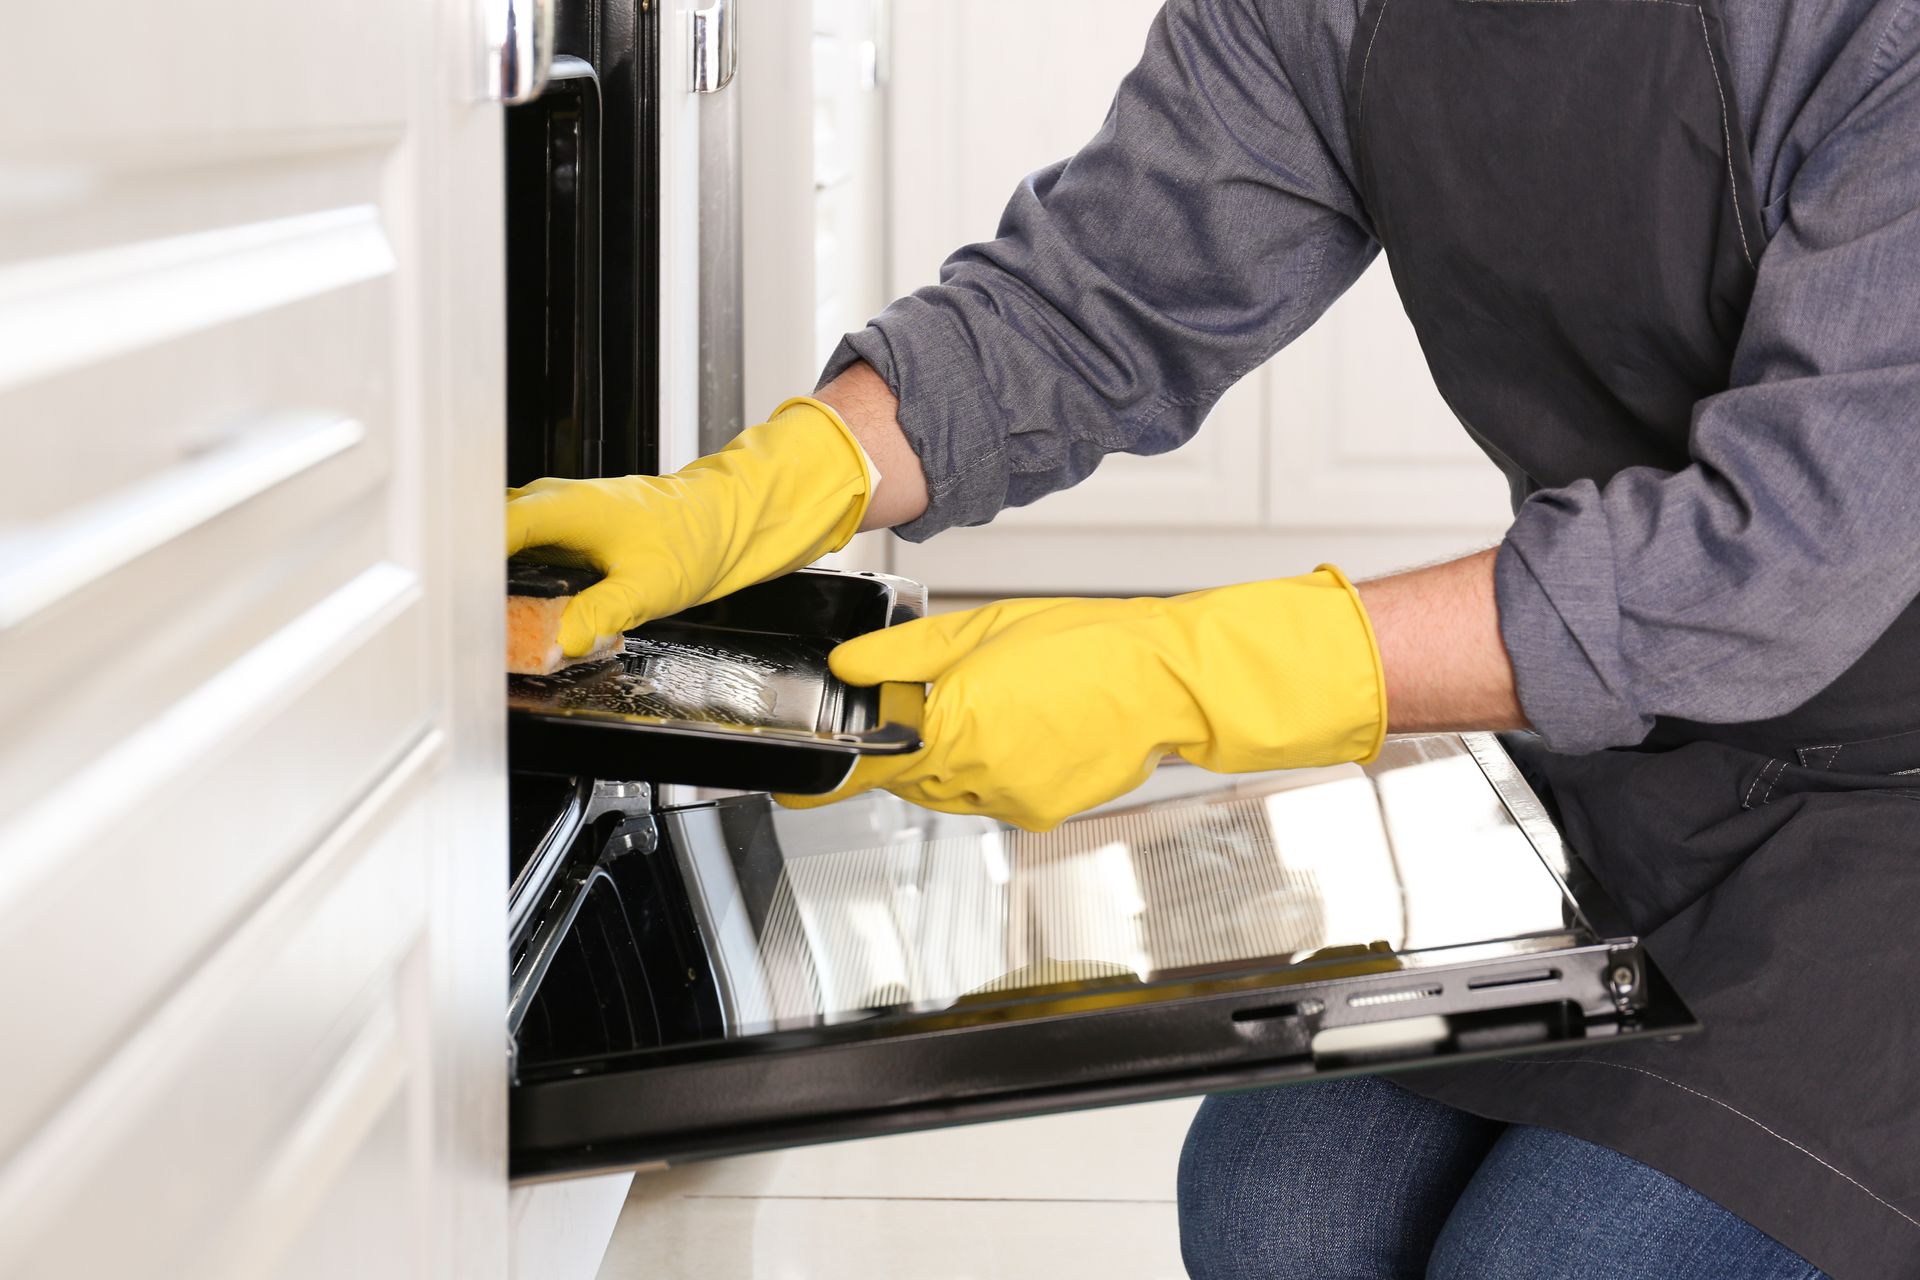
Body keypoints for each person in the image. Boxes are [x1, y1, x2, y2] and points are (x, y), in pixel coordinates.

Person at [505, 0, 1920, 1272]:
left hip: (1890, 811)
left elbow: (1787, 543)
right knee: (1275, 1219)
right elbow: (1089, 297)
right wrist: (760, 490)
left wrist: (1181, 671)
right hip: (1621, 739)